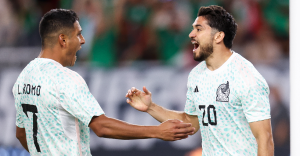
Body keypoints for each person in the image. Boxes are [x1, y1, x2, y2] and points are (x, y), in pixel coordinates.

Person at [12, 9, 195, 156]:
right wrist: (157, 132)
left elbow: (21, 134)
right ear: (63, 39)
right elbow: (101, 126)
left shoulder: (24, 77)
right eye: (78, 35)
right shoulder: (65, 78)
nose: (83, 41)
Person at [126, 5, 274, 156]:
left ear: (218, 36)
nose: (191, 34)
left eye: (198, 29)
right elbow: (190, 123)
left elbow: (264, 138)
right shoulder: (196, 74)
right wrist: (151, 107)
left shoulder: (246, 76)